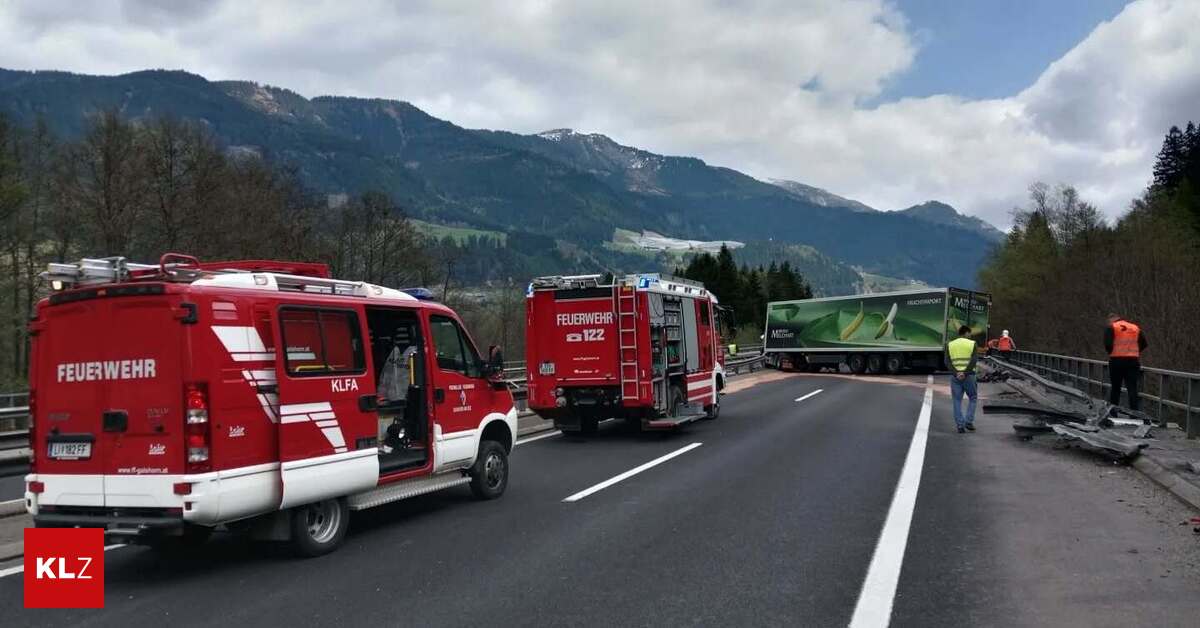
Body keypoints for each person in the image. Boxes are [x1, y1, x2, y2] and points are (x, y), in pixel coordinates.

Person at [1105, 313, 1147, 414]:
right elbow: (1144, 343)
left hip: (1116, 360)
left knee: (1116, 388)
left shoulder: (1112, 327)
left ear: (1112, 319)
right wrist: (1135, 351)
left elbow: (1108, 344)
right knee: (1132, 388)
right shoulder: (1135, 327)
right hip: (1132, 360)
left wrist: (1112, 352)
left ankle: (1113, 412)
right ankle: (1135, 413)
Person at [945, 324, 979, 433]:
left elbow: (947, 362)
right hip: (969, 376)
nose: (970, 336)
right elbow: (974, 360)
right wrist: (965, 372)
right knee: (973, 398)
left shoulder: (950, 345)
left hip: (955, 378)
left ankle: (960, 425)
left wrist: (956, 373)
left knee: (957, 400)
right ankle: (968, 421)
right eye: (970, 334)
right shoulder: (972, 344)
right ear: (966, 333)